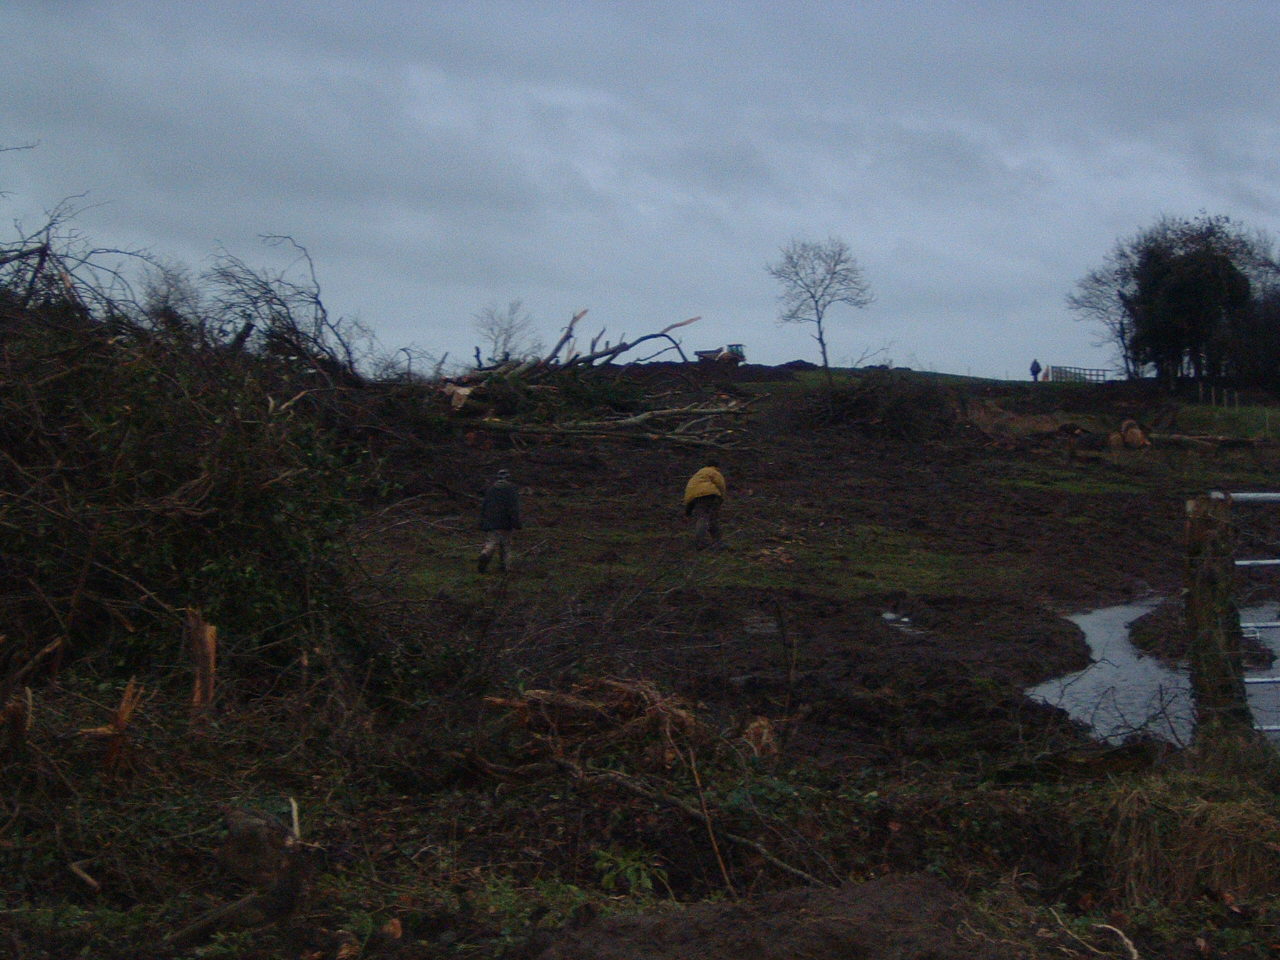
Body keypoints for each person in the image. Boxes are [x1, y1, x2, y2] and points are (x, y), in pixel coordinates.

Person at [478, 468, 521, 572]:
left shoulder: (491, 489)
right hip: (506, 522)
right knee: (506, 545)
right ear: (508, 478)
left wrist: (482, 521)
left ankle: (485, 553)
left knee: (491, 542)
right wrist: (516, 522)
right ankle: (505, 567)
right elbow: (514, 508)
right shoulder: (511, 489)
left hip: (491, 521)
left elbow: (484, 506)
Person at [683, 461, 727, 549]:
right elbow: (721, 485)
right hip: (710, 496)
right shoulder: (714, 472)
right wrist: (722, 497)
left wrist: (688, 510)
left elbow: (689, 493)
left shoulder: (697, 475)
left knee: (702, 517)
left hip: (695, 498)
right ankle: (716, 542)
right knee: (712, 519)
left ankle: (700, 542)